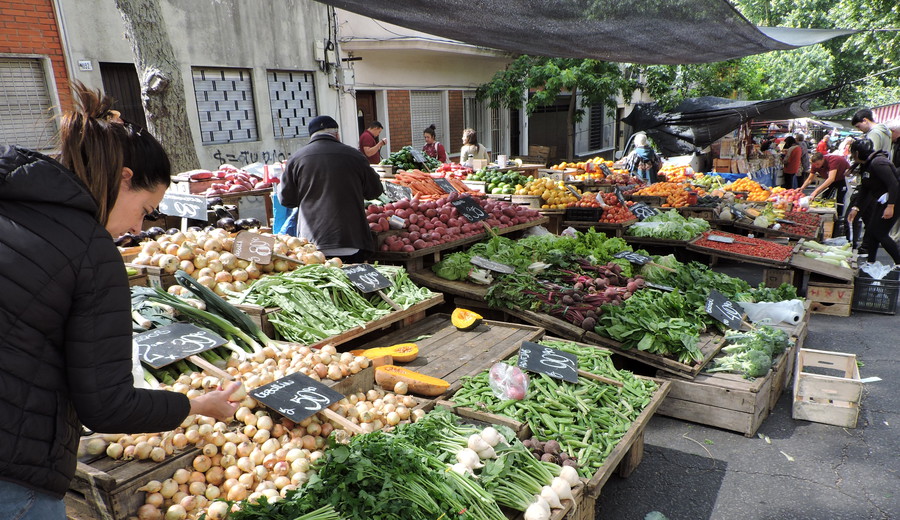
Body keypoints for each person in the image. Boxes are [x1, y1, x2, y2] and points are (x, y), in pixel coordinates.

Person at [0, 83, 239, 519]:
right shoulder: (90, 250)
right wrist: (196, 405)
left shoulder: (13, 209)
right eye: (147, 210)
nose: (136, 227)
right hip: (15, 473)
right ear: (124, 178)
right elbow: (107, 405)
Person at [281, 115, 384, 263]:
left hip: (311, 246)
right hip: (352, 242)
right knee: (353, 285)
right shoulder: (355, 156)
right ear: (337, 134)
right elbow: (375, 191)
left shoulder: (296, 159)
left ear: (311, 136)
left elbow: (286, 200)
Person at [846, 138, 900, 266]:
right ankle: (871, 263)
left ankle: (898, 262)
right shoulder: (866, 164)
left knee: (880, 233)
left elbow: (893, 184)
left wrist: (890, 206)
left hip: (894, 199)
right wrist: (856, 208)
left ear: (857, 153)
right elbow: (865, 189)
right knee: (871, 230)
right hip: (883, 200)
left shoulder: (878, 163)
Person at [799, 152, 852, 236]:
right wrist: (802, 188)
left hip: (842, 178)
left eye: (818, 164)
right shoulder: (815, 164)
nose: (816, 166)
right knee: (824, 197)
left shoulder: (833, 160)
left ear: (823, 159)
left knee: (840, 200)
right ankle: (822, 218)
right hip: (829, 179)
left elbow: (831, 178)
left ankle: (839, 221)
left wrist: (816, 191)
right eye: (815, 165)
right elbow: (810, 179)